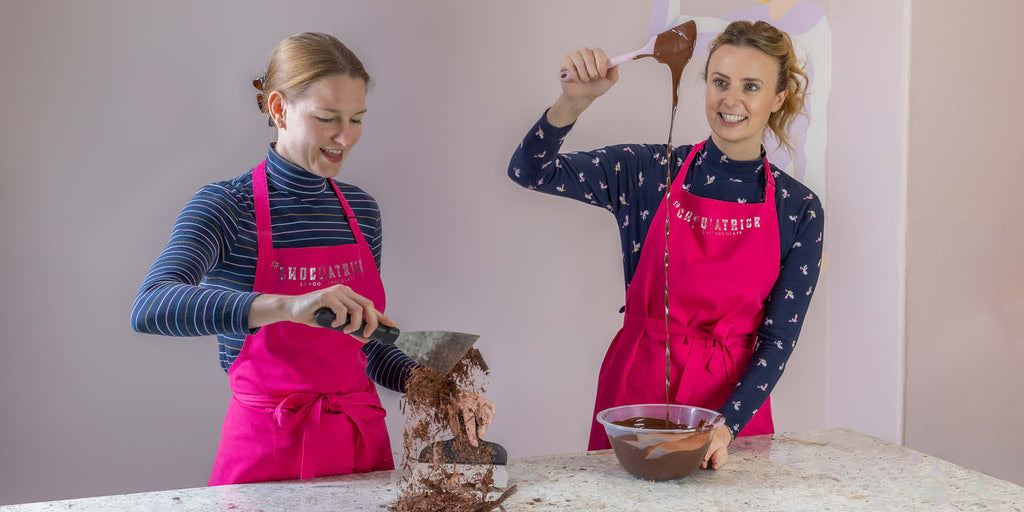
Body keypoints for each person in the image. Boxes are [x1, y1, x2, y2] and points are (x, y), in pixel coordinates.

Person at [131, 32, 494, 485]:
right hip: (268, 457)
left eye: (357, 119)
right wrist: (287, 305)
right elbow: (150, 307)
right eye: (328, 118)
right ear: (279, 109)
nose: (345, 137)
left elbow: (366, 346)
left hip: (362, 451)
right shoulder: (227, 207)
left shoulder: (362, 211)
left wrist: (437, 388)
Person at [507, 20, 822, 470]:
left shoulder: (799, 208)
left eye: (751, 86)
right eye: (720, 82)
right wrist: (574, 101)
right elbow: (530, 171)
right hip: (638, 394)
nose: (730, 100)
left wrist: (724, 426)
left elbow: (778, 340)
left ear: (778, 98)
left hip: (732, 416)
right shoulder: (648, 171)